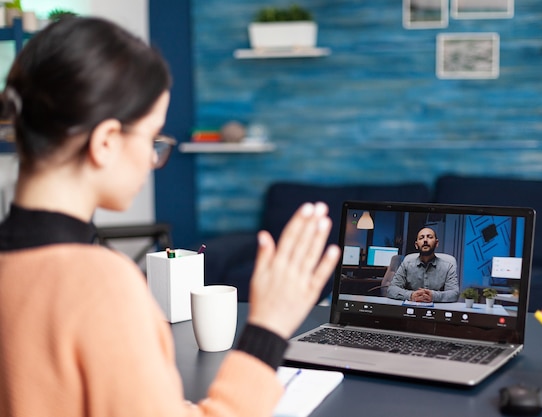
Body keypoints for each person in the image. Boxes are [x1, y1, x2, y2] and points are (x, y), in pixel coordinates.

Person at [0, 17, 341, 417]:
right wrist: (268, 328)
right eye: (152, 138)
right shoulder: (99, 284)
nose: (152, 159)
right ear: (106, 141)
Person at [386, 227, 459, 302]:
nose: (425, 240)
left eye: (429, 237)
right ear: (416, 245)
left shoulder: (448, 266)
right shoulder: (406, 265)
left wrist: (433, 296)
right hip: (411, 308)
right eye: (421, 238)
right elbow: (391, 289)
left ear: (436, 243)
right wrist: (411, 295)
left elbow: (454, 294)